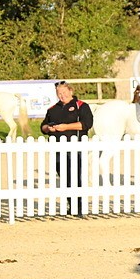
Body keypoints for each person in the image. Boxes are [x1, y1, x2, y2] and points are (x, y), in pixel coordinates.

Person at [41, 81, 94, 216]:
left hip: (76, 146)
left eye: (64, 92)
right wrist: (49, 128)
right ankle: (71, 205)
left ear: (71, 91)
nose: (62, 96)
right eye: (59, 93)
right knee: (64, 177)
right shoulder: (53, 109)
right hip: (58, 148)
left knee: (76, 176)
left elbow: (86, 124)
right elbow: (43, 127)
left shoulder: (81, 106)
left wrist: (66, 127)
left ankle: (80, 206)